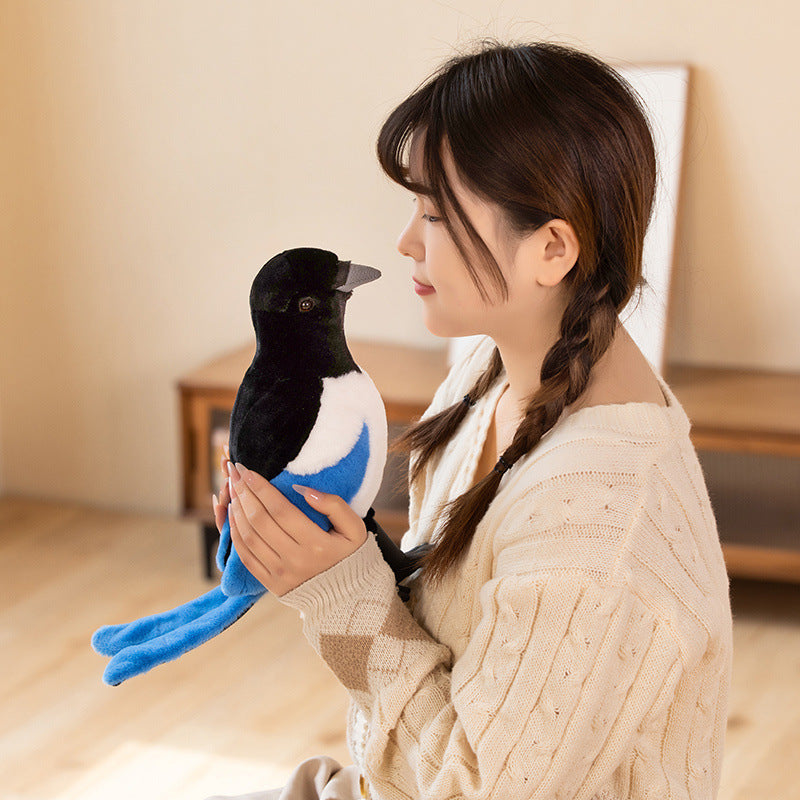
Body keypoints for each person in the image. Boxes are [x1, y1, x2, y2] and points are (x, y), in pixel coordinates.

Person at [209, 40, 733, 800]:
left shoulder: (596, 517)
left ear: (551, 249)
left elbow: (476, 790)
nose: (406, 242)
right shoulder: (489, 376)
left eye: (435, 213)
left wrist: (339, 590)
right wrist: (320, 545)